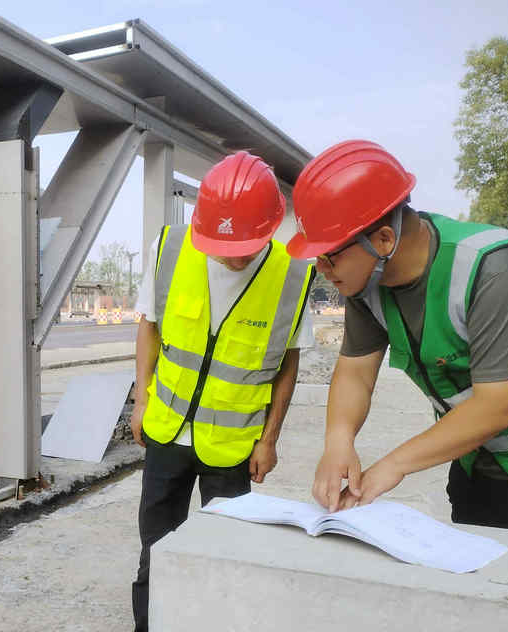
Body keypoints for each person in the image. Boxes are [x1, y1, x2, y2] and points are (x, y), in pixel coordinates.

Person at [285, 139, 508, 539]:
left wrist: (393, 465)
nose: (322, 268)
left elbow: (501, 404)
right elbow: (355, 371)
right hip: (481, 462)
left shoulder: (501, 270)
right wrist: (338, 442)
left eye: (330, 255)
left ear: (383, 240)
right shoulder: (366, 282)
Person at [131, 150, 316, 631]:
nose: (234, 257)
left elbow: (288, 364)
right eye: (223, 247)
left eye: (246, 248)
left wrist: (269, 439)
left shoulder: (293, 274)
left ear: (271, 227)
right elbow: (149, 326)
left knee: (226, 559)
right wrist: (142, 399)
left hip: (234, 447)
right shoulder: (170, 248)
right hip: (166, 432)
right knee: (156, 554)